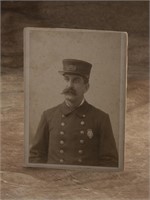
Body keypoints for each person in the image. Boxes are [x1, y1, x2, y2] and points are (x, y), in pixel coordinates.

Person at [29, 59, 118, 167]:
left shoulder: (101, 118)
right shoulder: (48, 116)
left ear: (86, 87)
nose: (69, 85)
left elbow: (109, 162)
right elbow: (36, 157)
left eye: (76, 81)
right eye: (66, 80)